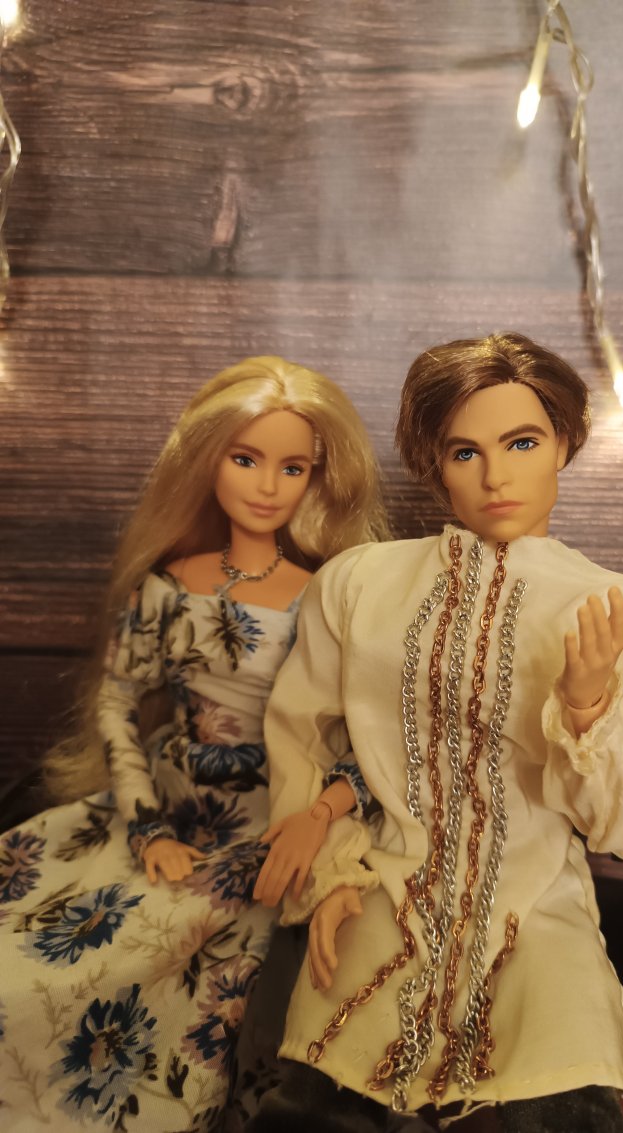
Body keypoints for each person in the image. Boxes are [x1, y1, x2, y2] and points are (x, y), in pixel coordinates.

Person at [252, 332, 623, 1132]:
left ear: (563, 443)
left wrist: (589, 711)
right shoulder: (360, 585)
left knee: (565, 1104)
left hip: (538, 899)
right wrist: (330, 873)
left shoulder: (612, 607)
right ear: (436, 464)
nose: (496, 476)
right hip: (385, 887)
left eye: (522, 443)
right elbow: (298, 736)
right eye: (466, 452)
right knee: (316, 1103)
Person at [0, 356, 388, 1132]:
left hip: (264, 829)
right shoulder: (168, 585)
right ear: (207, 459)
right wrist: (146, 826)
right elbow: (116, 699)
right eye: (246, 459)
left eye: (292, 468)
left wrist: (316, 818)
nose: (267, 485)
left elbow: (374, 741)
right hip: (161, 815)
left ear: (317, 478)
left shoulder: (329, 597)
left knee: (160, 974)